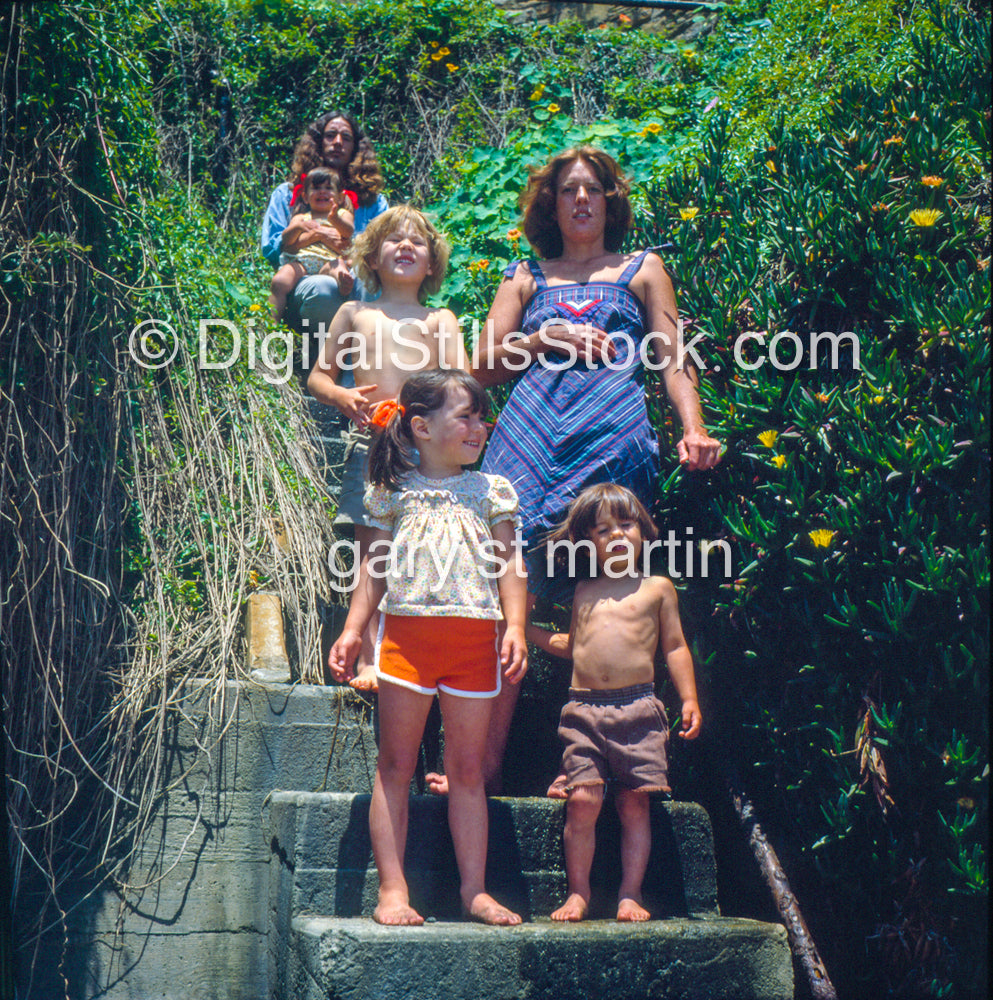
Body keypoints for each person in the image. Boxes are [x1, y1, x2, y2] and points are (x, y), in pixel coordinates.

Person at [427, 145, 720, 798]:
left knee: (600, 604)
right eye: (568, 191)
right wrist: (543, 340)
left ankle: (584, 765)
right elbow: (480, 366)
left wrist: (692, 427)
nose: (581, 199)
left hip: (611, 444)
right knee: (506, 602)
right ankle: (480, 767)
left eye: (592, 189)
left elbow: (673, 359)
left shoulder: (643, 270)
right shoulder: (525, 275)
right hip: (527, 448)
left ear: (610, 200)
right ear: (550, 204)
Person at [328, 369, 528, 927]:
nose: (478, 426)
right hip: (406, 644)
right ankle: (393, 890)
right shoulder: (391, 492)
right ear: (420, 426)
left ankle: (474, 891)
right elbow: (372, 569)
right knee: (395, 764)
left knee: (466, 771)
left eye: (481, 416)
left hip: (473, 644)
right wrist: (352, 631)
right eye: (465, 415)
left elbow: (510, 565)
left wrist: (514, 626)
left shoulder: (493, 491)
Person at [526, 482, 702, 922]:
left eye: (626, 524)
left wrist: (689, 698)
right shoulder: (584, 590)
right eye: (604, 530)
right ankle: (579, 892)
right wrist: (522, 630)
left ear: (643, 529)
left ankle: (630, 893)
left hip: (639, 710)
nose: (618, 535)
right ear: (589, 542)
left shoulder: (658, 588)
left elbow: (675, 647)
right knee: (583, 801)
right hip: (582, 710)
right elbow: (573, 645)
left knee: (633, 802)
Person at [308, 207, 467, 689]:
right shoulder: (354, 312)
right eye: (393, 240)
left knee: (418, 551)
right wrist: (341, 396)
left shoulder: (439, 319)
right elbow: (319, 375)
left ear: (432, 262)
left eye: (416, 242)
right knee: (371, 549)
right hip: (372, 444)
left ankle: (413, 654)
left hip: (426, 450)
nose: (405, 247)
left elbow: (460, 381)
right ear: (371, 257)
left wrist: (423, 407)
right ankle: (369, 657)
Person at [261, 110, 388, 352]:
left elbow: (381, 249)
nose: (338, 142)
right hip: (305, 277)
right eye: (330, 135)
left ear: (356, 148)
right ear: (318, 142)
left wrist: (347, 247)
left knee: (367, 281)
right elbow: (270, 248)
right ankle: (308, 357)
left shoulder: (373, 201)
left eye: (346, 137)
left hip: (356, 277)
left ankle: (370, 358)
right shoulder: (288, 194)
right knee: (323, 290)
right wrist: (317, 235)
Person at [268, 167, 355, 320]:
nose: (322, 192)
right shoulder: (301, 217)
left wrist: (335, 220)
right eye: (316, 188)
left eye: (329, 188)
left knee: (339, 267)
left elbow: (348, 232)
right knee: (279, 281)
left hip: (330, 260)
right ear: (305, 197)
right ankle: (270, 323)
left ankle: (343, 283)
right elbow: (287, 241)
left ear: (340, 198)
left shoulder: (342, 214)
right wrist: (298, 227)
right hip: (302, 261)